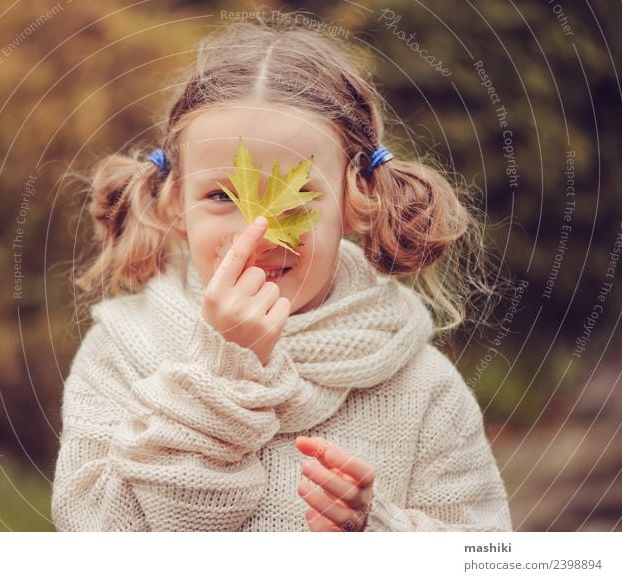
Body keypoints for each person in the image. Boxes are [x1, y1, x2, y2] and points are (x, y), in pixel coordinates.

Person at [51, 18, 513, 532]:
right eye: (222, 197)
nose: (260, 231)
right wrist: (223, 373)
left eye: (297, 195)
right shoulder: (118, 353)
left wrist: (377, 536)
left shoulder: (421, 384)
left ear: (356, 199)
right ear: (174, 203)